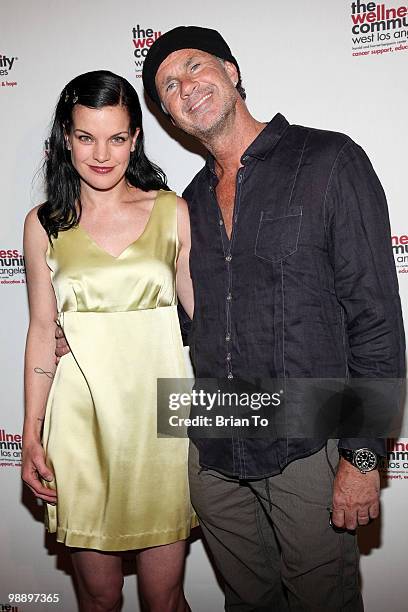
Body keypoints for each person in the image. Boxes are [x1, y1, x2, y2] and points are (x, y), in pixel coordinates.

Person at [139, 27, 405, 611]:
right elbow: (183, 324)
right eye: (169, 88)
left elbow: (376, 320)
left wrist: (363, 458)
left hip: (307, 447)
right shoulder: (186, 206)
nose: (187, 88)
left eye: (195, 67)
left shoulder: (329, 160)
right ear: (169, 117)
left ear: (232, 72)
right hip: (213, 454)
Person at [22, 70, 196, 612]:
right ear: (65, 139)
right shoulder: (44, 224)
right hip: (80, 426)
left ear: (136, 138)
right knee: (98, 598)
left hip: (162, 427)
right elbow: (41, 331)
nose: (102, 153)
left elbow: (210, 321)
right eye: (86, 137)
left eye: (117, 137)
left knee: (163, 597)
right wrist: (30, 432)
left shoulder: (171, 212)